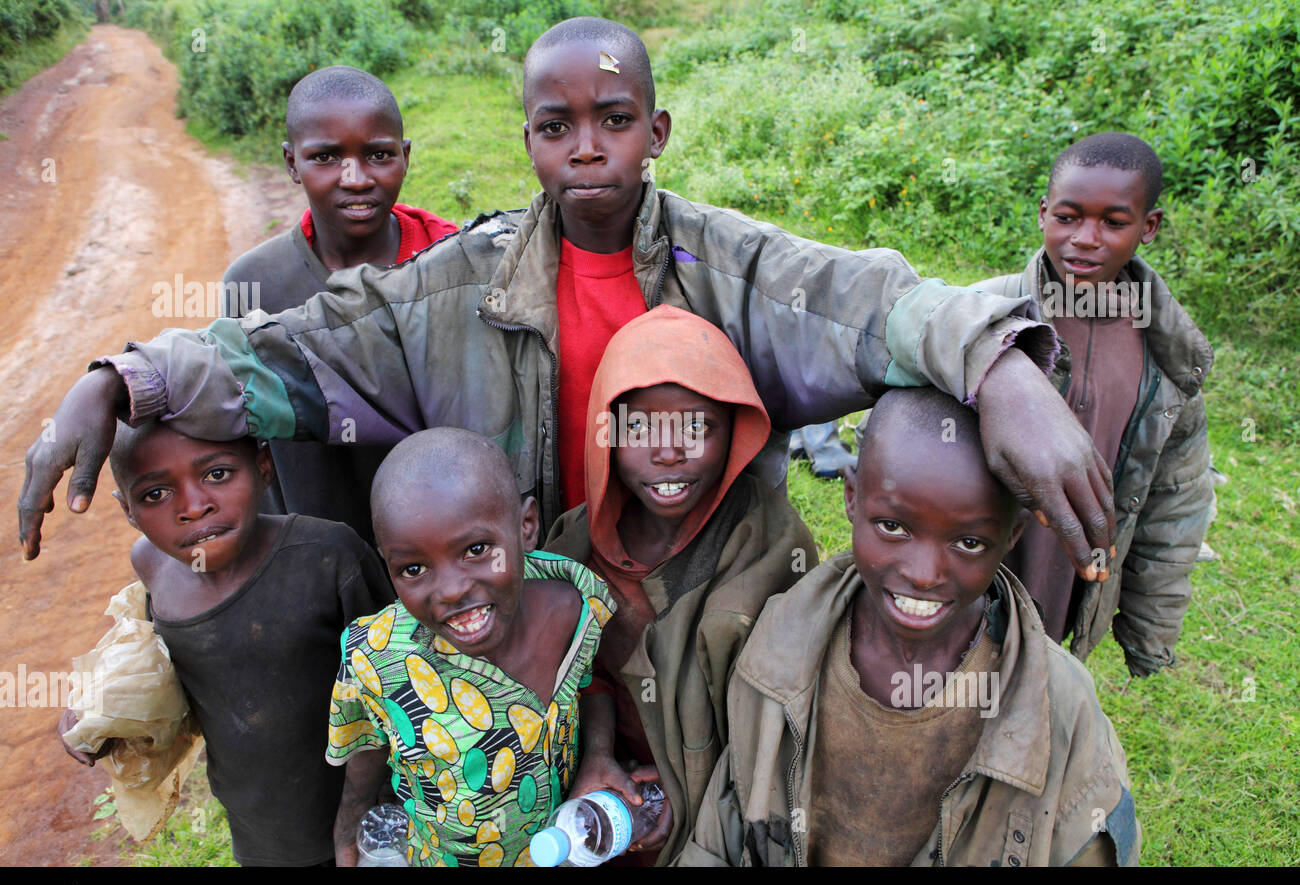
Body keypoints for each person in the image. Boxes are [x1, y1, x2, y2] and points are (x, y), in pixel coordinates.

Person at [20, 17, 1116, 591]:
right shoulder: (453, 285)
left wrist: (1000, 368)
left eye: (615, 118)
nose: (587, 147)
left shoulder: (728, 263)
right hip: (529, 612)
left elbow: (875, 301)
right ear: (528, 139)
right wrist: (124, 377)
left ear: (658, 129)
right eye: (557, 125)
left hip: (701, 602)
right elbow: (290, 350)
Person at [681, 388, 1140, 867]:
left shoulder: (1059, 706)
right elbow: (726, 822)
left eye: (967, 541)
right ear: (852, 496)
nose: (923, 573)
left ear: (1013, 535)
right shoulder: (779, 645)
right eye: (893, 527)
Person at [545, 305, 816, 864]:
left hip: (724, 805)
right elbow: (579, 672)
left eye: (696, 427)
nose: (668, 452)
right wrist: (598, 758)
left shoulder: (771, 546)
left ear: (735, 432)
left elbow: (786, 724)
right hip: (603, 797)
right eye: (639, 427)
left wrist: (686, 789)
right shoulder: (574, 541)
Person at [59, 421, 394, 865]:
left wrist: (356, 813)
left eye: (216, 474)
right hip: (260, 827)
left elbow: (396, 684)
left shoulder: (329, 554)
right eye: (155, 494)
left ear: (263, 466)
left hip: (367, 811)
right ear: (128, 511)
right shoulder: (151, 564)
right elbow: (166, 674)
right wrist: (103, 714)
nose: (194, 507)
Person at [973, 132, 1214, 677]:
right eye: (1068, 217)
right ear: (1042, 214)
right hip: (970, 569)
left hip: (1069, 587)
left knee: (1034, 691)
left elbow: (1175, 502)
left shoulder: (1167, 357)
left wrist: (1149, 631)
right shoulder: (982, 315)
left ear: (1147, 227)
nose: (1085, 238)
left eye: (1113, 222)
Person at [327, 428, 614, 867]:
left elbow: (593, 683)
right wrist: (349, 825)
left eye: (476, 549)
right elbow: (365, 747)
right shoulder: (376, 657)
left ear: (526, 527)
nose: (451, 590)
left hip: (563, 850)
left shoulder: (580, 603)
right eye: (414, 568)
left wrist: (598, 756)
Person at [222, 65, 458, 544]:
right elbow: (245, 433)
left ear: (406, 156)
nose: (355, 178)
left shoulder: (451, 263)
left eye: (378, 155)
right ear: (292, 163)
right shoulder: (253, 284)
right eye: (326, 157)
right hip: (315, 552)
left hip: (445, 552)